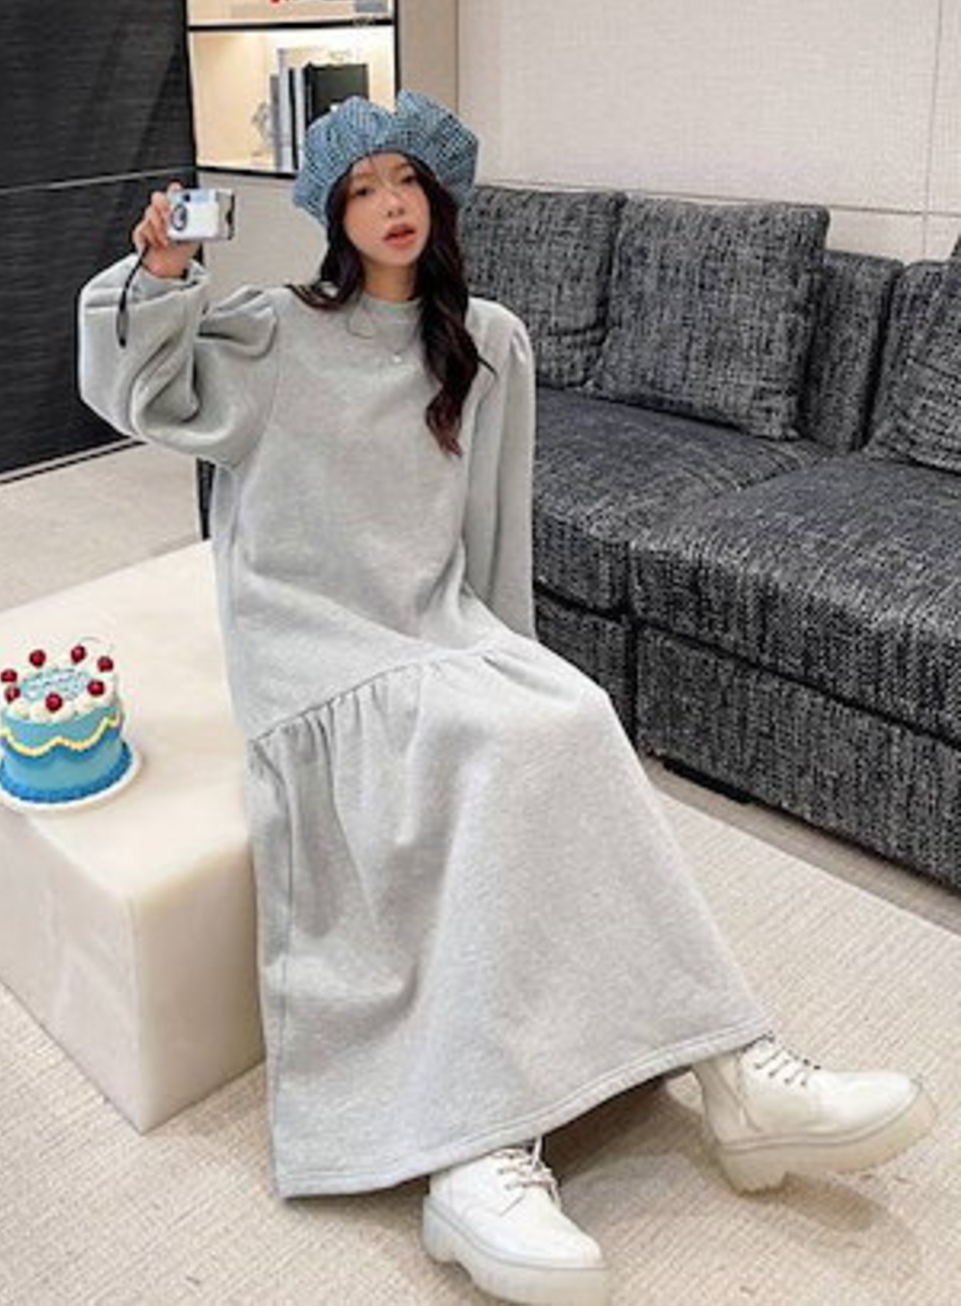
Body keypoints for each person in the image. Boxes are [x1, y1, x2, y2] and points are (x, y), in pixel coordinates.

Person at [78, 92, 935, 1306]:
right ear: (331, 212)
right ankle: (472, 1153)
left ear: (440, 199)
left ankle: (733, 1070)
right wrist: (158, 273)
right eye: (364, 187)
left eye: (408, 182)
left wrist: (506, 662)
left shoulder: (486, 342)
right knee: (501, 741)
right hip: (312, 644)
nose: (390, 204)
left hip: (437, 628)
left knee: (564, 718)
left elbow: (488, 532)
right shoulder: (274, 332)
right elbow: (140, 396)